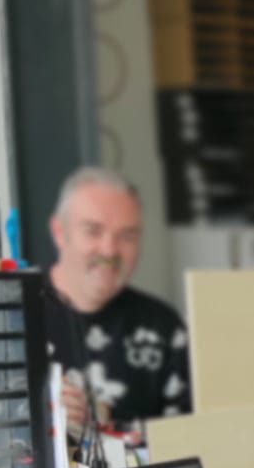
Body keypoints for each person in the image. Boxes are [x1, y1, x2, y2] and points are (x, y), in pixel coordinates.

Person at [43, 168, 191, 445]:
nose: (110, 250)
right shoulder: (9, 317)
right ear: (59, 231)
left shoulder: (164, 327)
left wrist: (101, 419)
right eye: (93, 231)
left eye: (127, 236)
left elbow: (190, 440)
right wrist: (41, 412)